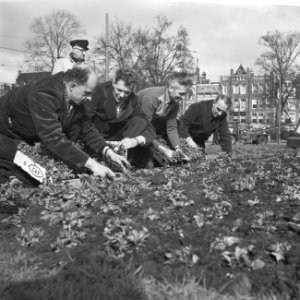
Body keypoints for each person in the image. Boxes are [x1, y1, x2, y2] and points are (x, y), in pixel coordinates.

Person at [0, 65, 129, 186]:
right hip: (6, 132)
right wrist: (94, 165)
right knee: (29, 176)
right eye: (86, 93)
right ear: (72, 86)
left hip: (28, 134)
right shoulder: (44, 94)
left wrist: (108, 152)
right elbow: (53, 137)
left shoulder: (76, 98)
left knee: (54, 172)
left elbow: (87, 129)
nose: (89, 98)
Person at [84, 68, 156, 168]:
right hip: (97, 136)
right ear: (113, 83)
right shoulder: (99, 91)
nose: (122, 95)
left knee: (139, 121)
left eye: (127, 92)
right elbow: (85, 120)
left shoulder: (133, 99)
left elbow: (149, 127)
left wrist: (136, 140)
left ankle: (124, 159)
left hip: (120, 139)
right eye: (119, 90)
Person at [137, 72, 193, 164]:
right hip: (132, 124)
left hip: (148, 123)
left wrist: (178, 148)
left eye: (184, 94)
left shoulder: (174, 102)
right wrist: (163, 150)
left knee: (178, 123)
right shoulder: (151, 98)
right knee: (150, 164)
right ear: (170, 88)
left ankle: (161, 143)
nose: (182, 98)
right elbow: (144, 129)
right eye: (181, 94)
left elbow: (171, 127)